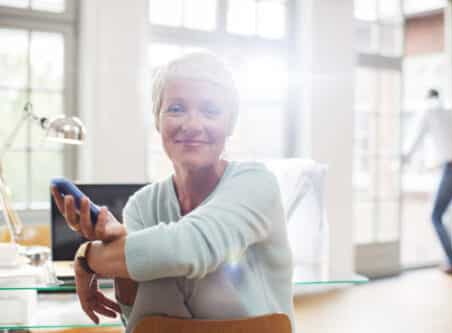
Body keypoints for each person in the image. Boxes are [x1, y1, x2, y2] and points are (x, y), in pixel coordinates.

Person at [51, 53, 295, 332]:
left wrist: (88, 257)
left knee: (163, 265)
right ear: (157, 120)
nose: (192, 125)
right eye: (176, 108)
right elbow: (139, 320)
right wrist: (121, 262)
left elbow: (188, 250)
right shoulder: (142, 205)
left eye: (210, 111)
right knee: (157, 269)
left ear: (230, 124)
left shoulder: (255, 182)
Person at [403, 89, 452, 277]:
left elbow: (416, 138)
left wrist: (404, 158)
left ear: (427, 99)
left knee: (436, 216)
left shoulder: (429, 113)